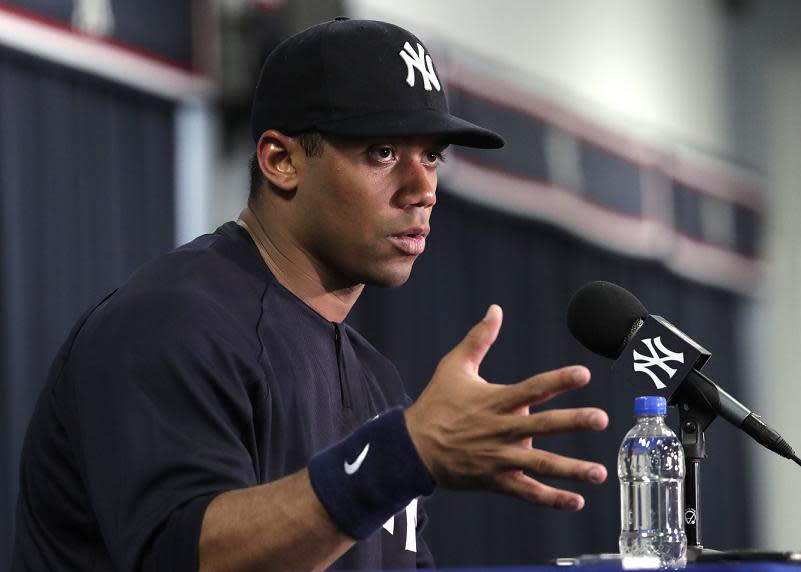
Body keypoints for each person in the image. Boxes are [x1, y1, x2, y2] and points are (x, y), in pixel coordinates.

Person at [12, 17, 609, 572]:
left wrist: (404, 451)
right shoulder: (171, 321)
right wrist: (403, 454)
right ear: (281, 160)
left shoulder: (377, 381)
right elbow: (184, 555)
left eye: (431, 156)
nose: (423, 187)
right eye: (382, 152)